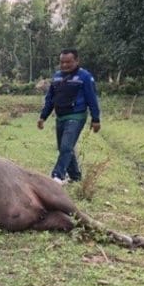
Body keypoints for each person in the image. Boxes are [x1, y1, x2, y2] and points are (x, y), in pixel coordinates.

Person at [37, 48, 101, 184]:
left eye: (69, 62)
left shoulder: (85, 77)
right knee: (64, 148)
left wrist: (95, 118)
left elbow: (92, 98)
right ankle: (75, 176)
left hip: (76, 116)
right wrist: (43, 117)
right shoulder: (57, 77)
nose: (65, 65)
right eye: (62, 62)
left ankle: (57, 176)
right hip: (60, 116)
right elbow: (50, 99)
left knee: (66, 146)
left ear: (77, 61)